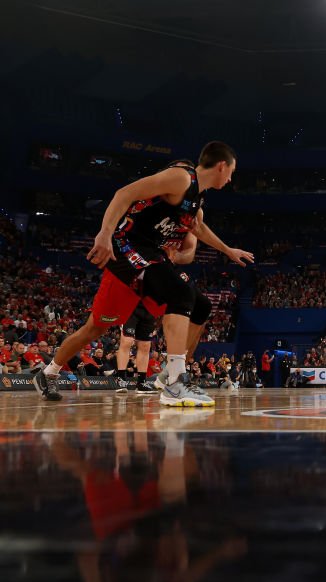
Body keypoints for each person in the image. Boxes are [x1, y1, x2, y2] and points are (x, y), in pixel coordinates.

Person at [33, 143, 254, 406]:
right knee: (95, 328)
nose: (230, 179)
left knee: (200, 305)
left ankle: (172, 375)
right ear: (221, 166)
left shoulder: (197, 200)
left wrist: (228, 250)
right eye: (231, 172)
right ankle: (50, 372)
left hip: (151, 254)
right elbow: (124, 192)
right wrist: (104, 233)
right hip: (126, 247)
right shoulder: (182, 177)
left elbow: (199, 228)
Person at [115, 303, 160, 394]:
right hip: (130, 305)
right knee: (127, 341)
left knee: (145, 346)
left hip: (150, 307)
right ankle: (121, 379)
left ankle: (141, 382)